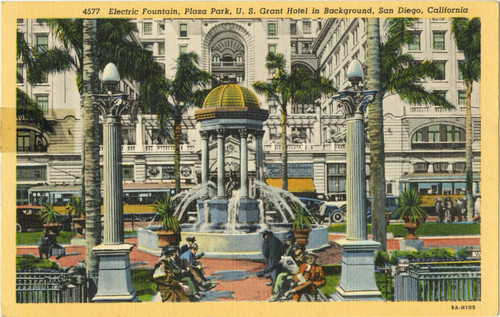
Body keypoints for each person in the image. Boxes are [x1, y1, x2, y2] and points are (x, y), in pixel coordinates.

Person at [271, 231, 305, 300]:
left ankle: (277, 294)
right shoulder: (287, 247)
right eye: (286, 240)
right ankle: (275, 291)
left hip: (295, 269)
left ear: (292, 240)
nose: (287, 241)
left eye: (289, 240)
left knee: (281, 276)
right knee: (276, 271)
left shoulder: (295, 247)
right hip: (289, 268)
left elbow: (299, 258)